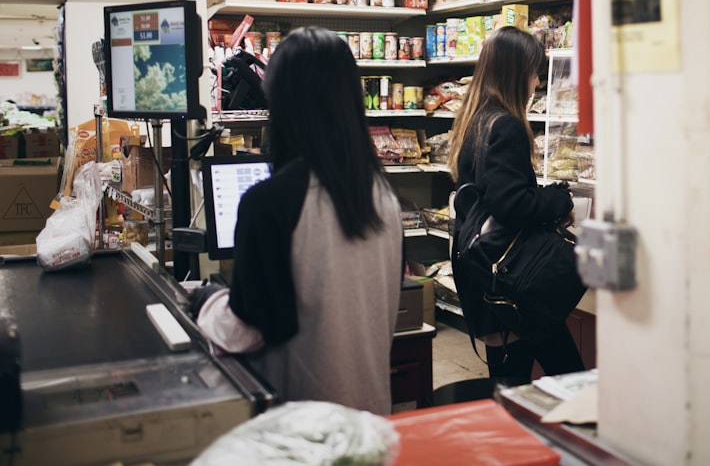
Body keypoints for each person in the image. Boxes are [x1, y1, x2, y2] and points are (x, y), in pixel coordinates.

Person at [190, 27, 403, 415]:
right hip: (369, 419)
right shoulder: (382, 197)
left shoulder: (270, 202)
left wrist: (206, 302)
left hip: (299, 428)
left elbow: (249, 331)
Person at [448, 25, 584, 384]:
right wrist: (558, 199)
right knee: (564, 378)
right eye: (533, 74)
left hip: (485, 272)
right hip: (513, 283)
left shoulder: (474, 119)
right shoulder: (505, 125)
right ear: (514, 73)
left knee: (513, 382)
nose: (536, 84)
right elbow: (510, 203)